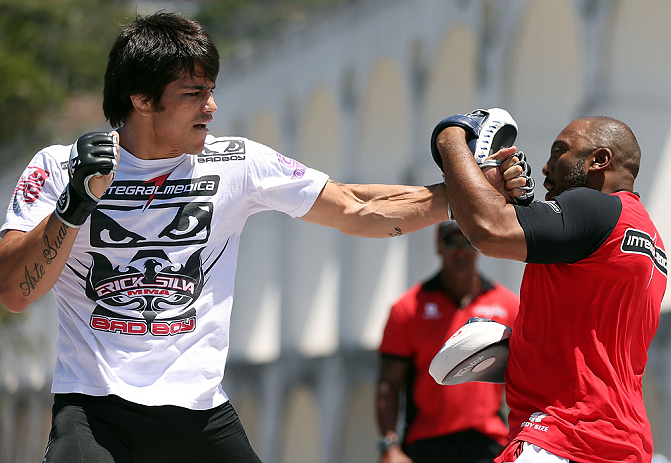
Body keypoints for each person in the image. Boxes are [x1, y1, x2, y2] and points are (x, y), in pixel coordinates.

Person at [0, 12, 530, 463]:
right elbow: (15, 292)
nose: (211, 107)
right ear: (141, 99)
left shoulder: (237, 161)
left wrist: (471, 191)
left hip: (200, 411)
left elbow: (358, 208)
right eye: (193, 94)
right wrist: (74, 205)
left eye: (212, 91)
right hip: (94, 412)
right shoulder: (58, 167)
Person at [430, 109, 667, 463]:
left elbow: (488, 230)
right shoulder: (650, 239)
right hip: (624, 444)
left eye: (560, 153)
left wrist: (450, 137)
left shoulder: (594, 207)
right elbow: (586, 343)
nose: (545, 167)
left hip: (559, 434)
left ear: (599, 160)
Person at [376, 220, 519, 463]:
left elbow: (526, 378)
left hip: (488, 444)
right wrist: (389, 446)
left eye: (468, 242)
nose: (460, 250)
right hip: (426, 445)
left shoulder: (509, 305)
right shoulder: (408, 309)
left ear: (479, 246)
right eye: (452, 242)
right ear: (438, 247)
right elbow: (389, 384)